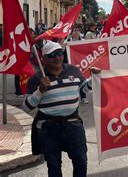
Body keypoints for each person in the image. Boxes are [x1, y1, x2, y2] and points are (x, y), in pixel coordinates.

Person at [23, 41, 100, 177]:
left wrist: (92, 80)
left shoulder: (73, 70)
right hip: (48, 129)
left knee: (81, 162)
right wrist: (40, 90)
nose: (57, 57)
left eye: (59, 53)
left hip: (73, 125)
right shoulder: (37, 78)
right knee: (54, 167)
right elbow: (26, 107)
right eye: (52, 55)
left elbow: (83, 89)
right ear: (44, 59)